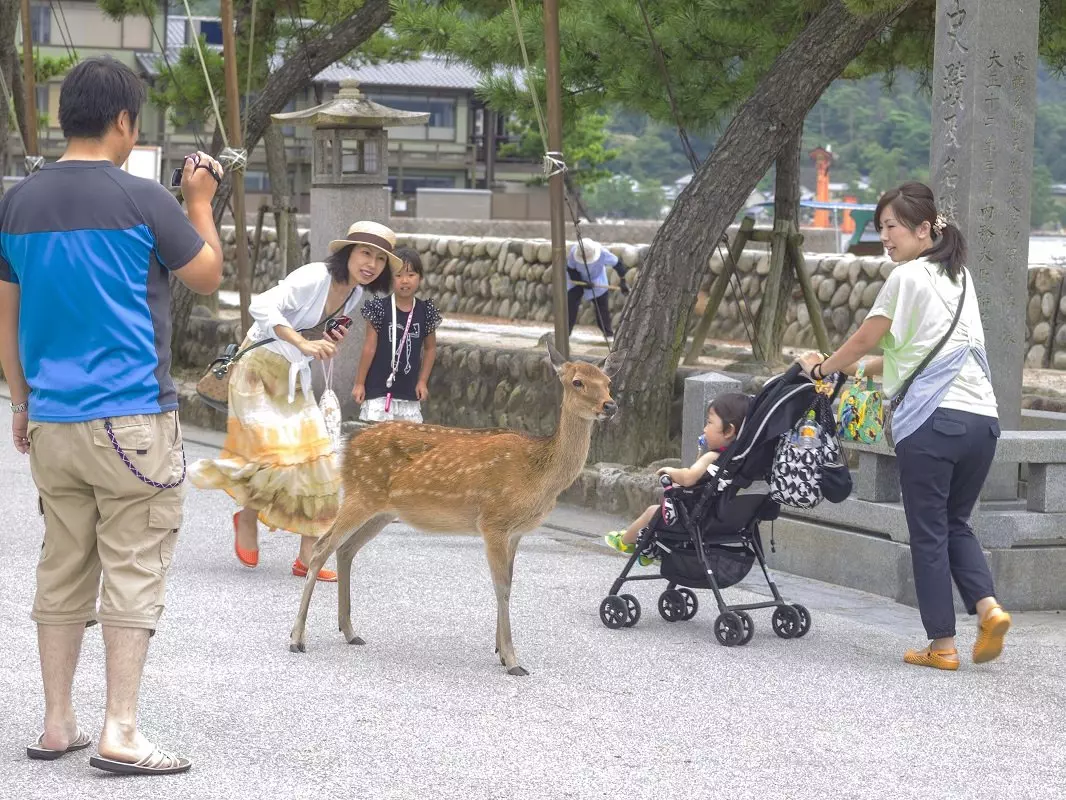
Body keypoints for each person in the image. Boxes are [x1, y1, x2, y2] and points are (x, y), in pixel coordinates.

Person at [0, 57, 223, 774]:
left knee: (63, 564)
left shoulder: (16, 204)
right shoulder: (143, 198)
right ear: (124, 121)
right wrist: (199, 200)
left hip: (52, 419)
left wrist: (21, 403)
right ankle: (120, 731)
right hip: (131, 420)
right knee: (133, 564)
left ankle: (56, 722)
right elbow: (207, 275)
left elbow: (6, 320)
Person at [798, 181, 1011, 671]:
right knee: (955, 523)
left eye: (891, 226)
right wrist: (858, 368)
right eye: (880, 227)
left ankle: (943, 645)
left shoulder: (906, 277)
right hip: (983, 421)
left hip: (934, 423)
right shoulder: (961, 277)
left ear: (922, 229)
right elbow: (914, 353)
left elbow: (863, 339)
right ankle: (989, 609)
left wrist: (822, 368)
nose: (884, 236)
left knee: (929, 532)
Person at [189, 221, 397, 581]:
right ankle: (247, 518)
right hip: (257, 371)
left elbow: (310, 329)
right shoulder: (315, 276)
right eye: (366, 253)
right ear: (348, 252)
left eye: (380, 259)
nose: (372, 264)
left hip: (292, 376)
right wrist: (301, 342)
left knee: (319, 462)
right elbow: (262, 305)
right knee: (275, 456)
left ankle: (308, 556)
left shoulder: (353, 294)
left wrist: (322, 339)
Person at [604, 392, 749, 564]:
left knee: (652, 512)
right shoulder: (738, 461)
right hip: (721, 520)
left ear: (729, 431)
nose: (704, 429)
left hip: (693, 519)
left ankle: (625, 542)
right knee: (659, 512)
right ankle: (646, 549)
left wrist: (670, 471)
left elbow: (688, 478)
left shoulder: (713, 457)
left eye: (709, 423)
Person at [353, 247, 443, 423]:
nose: (405, 280)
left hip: (409, 389)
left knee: (406, 439)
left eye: (411, 275)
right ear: (389, 278)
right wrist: (359, 383)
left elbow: (430, 348)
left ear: (420, 278)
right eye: (398, 275)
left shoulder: (425, 311)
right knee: (377, 437)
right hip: (378, 389)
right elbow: (369, 347)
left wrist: (422, 381)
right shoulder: (379, 309)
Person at [566, 240, 630, 339]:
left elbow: (618, 264)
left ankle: (608, 334)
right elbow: (571, 269)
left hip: (597, 279)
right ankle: (566, 333)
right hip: (577, 280)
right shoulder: (574, 252)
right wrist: (581, 282)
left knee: (602, 307)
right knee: (571, 305)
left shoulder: (602, 253)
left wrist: (623, 281)